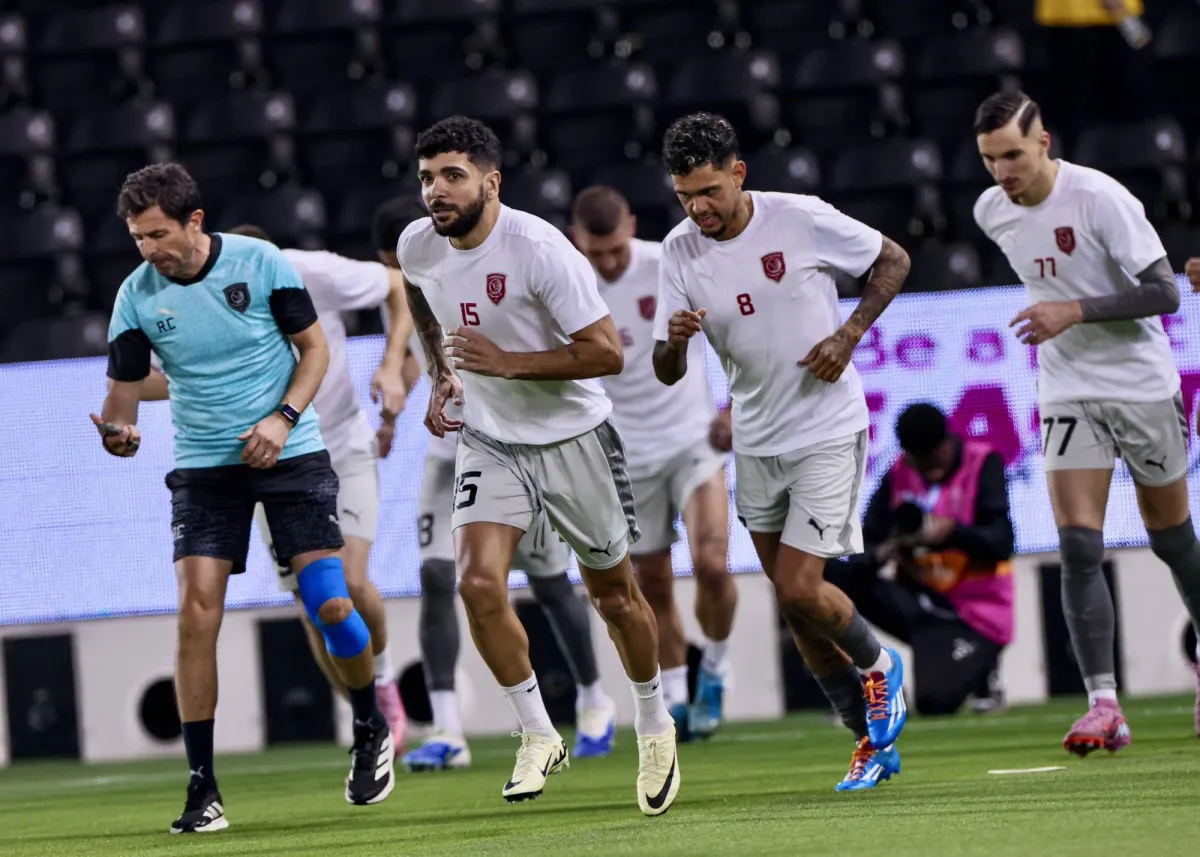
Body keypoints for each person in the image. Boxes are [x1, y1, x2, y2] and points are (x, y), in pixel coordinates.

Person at [93, 164, 395, 834]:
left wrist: (281, 418)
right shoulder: (136, 296)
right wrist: (118, 433)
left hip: (290, 454)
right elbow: (121, 395)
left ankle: (370, 721)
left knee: (332, 601)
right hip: (205, 468)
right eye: (138, 237)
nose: (148, 249)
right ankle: (203, 786)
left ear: (195, 221)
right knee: (195, 616)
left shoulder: (261, 263)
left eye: (158, 234)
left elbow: (313, 351)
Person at [397, 116, 679, 816]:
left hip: (574, 437)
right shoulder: (417, 244)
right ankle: (536, 731)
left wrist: (507, 364)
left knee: (615, 595)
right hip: (491, 438)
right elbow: (416, 290)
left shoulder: (539, 249)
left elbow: (607, 352)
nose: (436, 189)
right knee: (476, 581)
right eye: (428, 176)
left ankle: (652, 722)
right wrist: (441, 372)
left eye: (453, 175)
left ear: (491, 182)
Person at [652, 112, 912, 792]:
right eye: (684, 195)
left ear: (739, 173)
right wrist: (676, 340)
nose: (697, 208)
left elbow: (894, 259)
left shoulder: (801, 218)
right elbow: (665, 369)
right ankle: (868, 744)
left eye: (708, 191)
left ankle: (883, 666)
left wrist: (850, 333)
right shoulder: (678, 250)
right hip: (756, 440)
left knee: (801, 586)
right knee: (794, 606)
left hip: (826, 428)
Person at [973, 91, 1200, 754]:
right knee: (1076, 544)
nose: (1001, 172)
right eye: (990, 159)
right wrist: (1060, 317)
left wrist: (1072, 310)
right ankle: (1104, 703)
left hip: (1141, 387)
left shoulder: (1100, 198)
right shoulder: (991, 211)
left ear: (1044, 143)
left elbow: (1163, 292)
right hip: (1067, 390)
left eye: (1013, 154)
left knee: (1173, 541)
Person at [134, 223, 415, 749]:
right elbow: (155, 377)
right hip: (265, 466)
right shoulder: (188, 300)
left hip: (338, 450)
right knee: (313, 607)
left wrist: (394, 363)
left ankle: (384, 677)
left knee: (346, 584)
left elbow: (397, 284)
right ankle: (368, 725)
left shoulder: (309, 270)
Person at [370, 198, 617, 771]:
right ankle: (449, 728)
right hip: (448, 452)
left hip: (520, 442)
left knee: (552, 582)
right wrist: (403, 394)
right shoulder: (414, 275)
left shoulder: (495, 263)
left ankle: (593, 701)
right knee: (440, 578)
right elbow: (418, 354)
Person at [570, 185, 736, 740]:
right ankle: (683, 700)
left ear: (631, 226)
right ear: (578, 241)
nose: (610, 262)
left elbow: (736, 326)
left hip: (692, 436)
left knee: (712, 564)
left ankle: (715, 666)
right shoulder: (566, 280)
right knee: (655, 587)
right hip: (624, 452)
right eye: (598, 253)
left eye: (616, 248)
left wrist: (734, 405)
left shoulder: (668, 260)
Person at [827, 402, 1015, 719]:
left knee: (934, 704)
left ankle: (982, 670)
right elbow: (861, 547)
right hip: (920, 603)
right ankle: (871, 672)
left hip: (975, 614)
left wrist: (952, 532)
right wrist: (886, 550)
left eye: (934, 457)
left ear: (948, 441)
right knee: (827, 577)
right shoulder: (899, 472)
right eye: (920, 461)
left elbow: (1002, 544)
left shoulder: (983, 464)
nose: (929, 468)